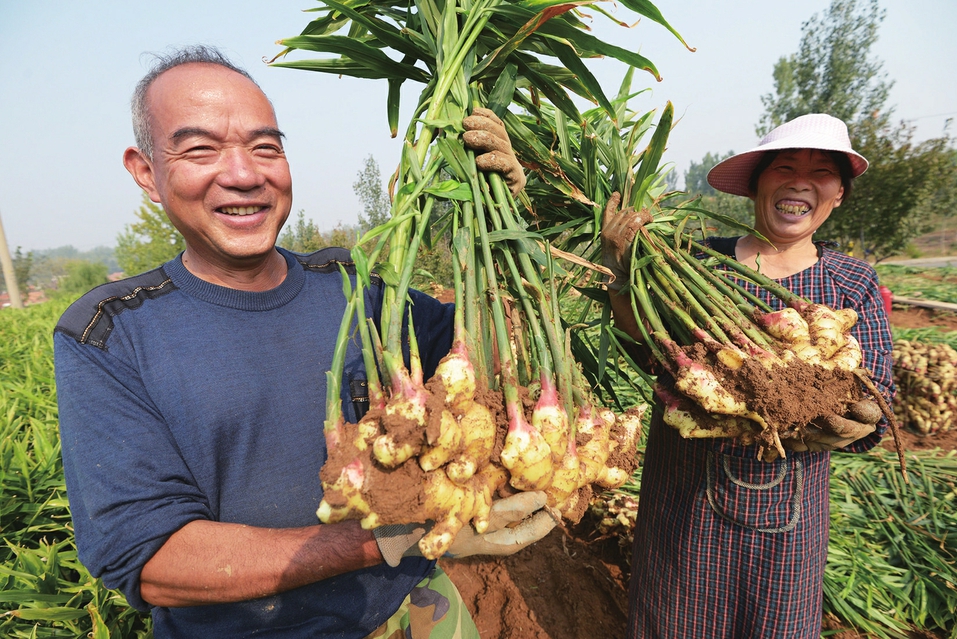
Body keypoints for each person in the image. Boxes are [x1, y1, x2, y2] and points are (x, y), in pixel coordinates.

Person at [54, 45, 553, 639]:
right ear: (146, 172)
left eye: (266, 147)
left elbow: (494, 360)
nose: (243, 173)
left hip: (417, 614)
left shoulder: (356, 286)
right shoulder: (111, 332)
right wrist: (389, 537)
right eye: (200, 149)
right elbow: (151, 561)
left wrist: (506, 225)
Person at [601, 113, 895, 638]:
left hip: (789, 521)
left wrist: (855, 421)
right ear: (758, 182)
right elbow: (648, 353)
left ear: (839, 194)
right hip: (681, 504)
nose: (800, 181)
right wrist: (622, 276)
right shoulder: (692, 262)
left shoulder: (851, 282)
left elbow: (878, 399)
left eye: (822, 172)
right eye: (784, 166)